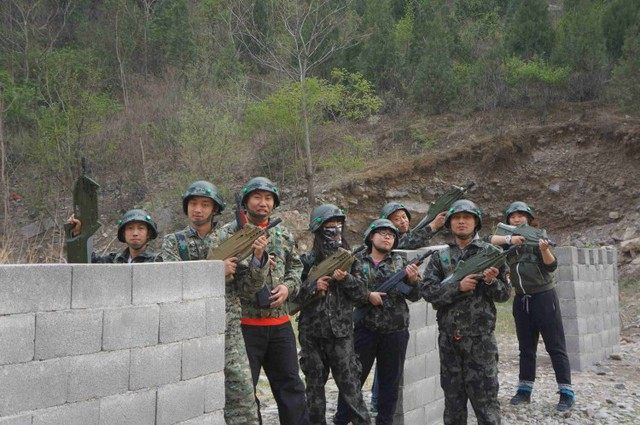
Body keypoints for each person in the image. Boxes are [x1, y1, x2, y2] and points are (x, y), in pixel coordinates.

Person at [162, 180, 264, 425]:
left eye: (205, 205)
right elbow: (172, 283)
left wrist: (258, 259)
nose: (198, 209)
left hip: (228, 331)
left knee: (241, 399)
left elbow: (248, 289)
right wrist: (215, 271)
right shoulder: (174, 242)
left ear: (215, 209)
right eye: (193, 204)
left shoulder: (231, 239)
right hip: (188, 331)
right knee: (189, 398)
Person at [217, 176, 309, 425]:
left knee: (292, 388)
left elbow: (296, 268)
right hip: (245, 326)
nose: (263, 203)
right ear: (246, 202)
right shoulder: (228, 234)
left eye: (268, 198)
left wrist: (287, 288)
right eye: (257, 197)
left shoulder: (283, 234)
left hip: (280, 325)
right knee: (246, 392)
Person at [421, 199, 511, 425]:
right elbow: (428, 292)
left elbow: (504, 294)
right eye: (457, 218)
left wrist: (490, 282)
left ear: (476, 222)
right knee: (453, 405)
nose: (461, 222)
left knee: (486, 404)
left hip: (480, 341)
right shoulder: (440, 257)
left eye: (467, 217)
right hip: (449, 341)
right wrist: (457, 287)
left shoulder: (492, 254)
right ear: (450, 223)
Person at [333, 219, 421, 425]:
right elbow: (347, 290)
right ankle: (342, 419)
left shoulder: (401, 263)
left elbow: (415, 296)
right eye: (382, 233)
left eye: (391, 235)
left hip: (395, 331)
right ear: (371, 237)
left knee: (390, 383)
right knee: (353, 378)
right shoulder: (356, 262)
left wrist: (413, 280)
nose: (387, 237)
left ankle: (384, 421)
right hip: (365, 329)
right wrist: (367, 296)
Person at [489, 201, 574, 412]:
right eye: (513, 216)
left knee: (555, 346)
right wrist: (510, 239)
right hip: (521, 299)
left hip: (544, 297)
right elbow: (487, 240)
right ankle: (524, 390)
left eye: (520, 215)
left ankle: (566, 392)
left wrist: (544, 250)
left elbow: (551, 265)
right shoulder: (507, 238)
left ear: (528, 218)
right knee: (526, 348)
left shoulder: (538, 235)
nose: (516, 219)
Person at [296, 204, 371, 425]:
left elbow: (363, 294)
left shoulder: (351, 259)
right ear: (318, 230)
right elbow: (292, 296)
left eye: (338, 225)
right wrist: (313, 287)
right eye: (329, 226)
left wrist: (346, 279)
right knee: (314, 395)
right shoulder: (306, 261)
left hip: (341, 335)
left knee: (352, 391)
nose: (335, 230)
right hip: (311, 335)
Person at [67, 208, 161, 263]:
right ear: (123, 233)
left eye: (140, 228)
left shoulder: (157, 261)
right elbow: (84, 263)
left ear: (148, 234)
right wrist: (77, 234)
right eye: (130, 228)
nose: (135, 233)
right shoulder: (114, 261)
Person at [380, 201, 447, 249]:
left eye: (404, 217)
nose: (403, 221)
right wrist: (433, 226)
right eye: (397, 219)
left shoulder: (409, 234)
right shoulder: (388, 240)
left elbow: (419, 239)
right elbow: (410, 242)